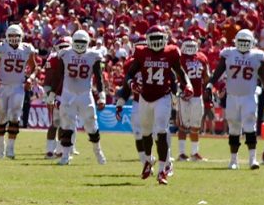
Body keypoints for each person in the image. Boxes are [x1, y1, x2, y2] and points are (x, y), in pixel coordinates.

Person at [117, 27, 191, 184]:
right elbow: (130, 74)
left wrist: (188, 85)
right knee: (145, 132)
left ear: (165, 38)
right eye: (154, 37)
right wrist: (131, 84)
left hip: (162, 97)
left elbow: (180, 72)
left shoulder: (171, 52)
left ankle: (162, 170)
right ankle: (149, 160)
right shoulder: (142, 53)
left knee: (161, 131)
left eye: (159, 37)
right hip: (144, 97)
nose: (157, 41)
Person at [208, 28, 264, 170]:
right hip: (232, 97)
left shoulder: (257, 56)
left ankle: (252, 159)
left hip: (249, 96)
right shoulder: (228, 53)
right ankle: (233, 160)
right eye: (241, 41)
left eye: (246, 41)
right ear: (236, 41)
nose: (243, 44)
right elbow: (219, 70)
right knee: (234, 128)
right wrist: (210, 84)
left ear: (251, 42)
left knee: (250, 126)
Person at [54, 30, 107, 165]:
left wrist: (101, 96)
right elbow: (59, 76)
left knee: (91, 125)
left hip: (85, 95)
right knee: (66, 125)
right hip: (68, 94)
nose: (80, 45)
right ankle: (65, 156)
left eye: (82, 42)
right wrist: (54, 95)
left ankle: (98, 152)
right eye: (77, 42)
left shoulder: (93, 55)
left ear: (88, 43)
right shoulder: (65, 54)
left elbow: (99, 78)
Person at [0, 24, 36, 159]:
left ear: (21, 36)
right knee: (2, 117)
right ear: (7, 37)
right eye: (12, 36)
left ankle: (10, 148)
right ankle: (0, 145)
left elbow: (34, 67)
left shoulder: (26, 49)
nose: (14, 38)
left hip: (18, 87)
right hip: (2, 86)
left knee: (15, 116)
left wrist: (30, 78)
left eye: (16, 36)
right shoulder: (1, 48)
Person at [177, 39, 211, 161]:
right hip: (184, 96)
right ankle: (181, 153)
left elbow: (206, 76)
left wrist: (208, 90)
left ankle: (194, 153)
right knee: (183, 125)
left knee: (195, 125)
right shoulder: (180, 57)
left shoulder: (201, 57)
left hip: (197, 95)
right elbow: (176, 75)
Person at [42, 37, 69, 158]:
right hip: (57, 94)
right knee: (55, 123)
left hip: (70, 95)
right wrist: (49, 95)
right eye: (61, 47)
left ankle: (60, 149)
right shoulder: (53, 59)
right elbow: (48, 80)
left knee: (66, 124)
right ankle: (50, 150)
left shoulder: (74, 58)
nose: (64, 49)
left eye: (66, 46)